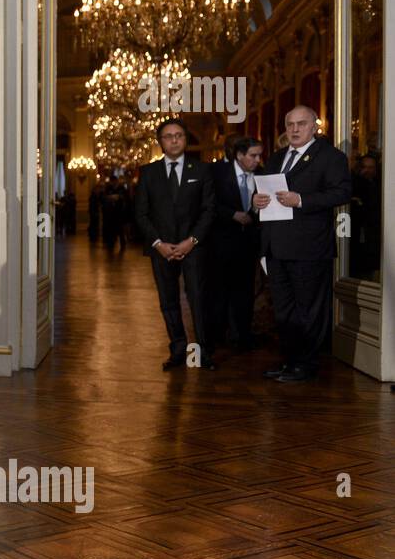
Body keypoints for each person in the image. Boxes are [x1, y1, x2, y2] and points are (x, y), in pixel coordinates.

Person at [253, 106, 352, 383]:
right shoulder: (275, 158)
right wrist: (255, 202)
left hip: (309, 247)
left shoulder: (331, 157)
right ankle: (289, 361)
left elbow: (342, 192)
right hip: (275, 246)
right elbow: (263, 193)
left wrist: (302, 200)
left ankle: (306, 365)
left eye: (301, 124)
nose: (295, 129)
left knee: (309, 310)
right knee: (283, 310)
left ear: (314, 127)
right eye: (290, 124)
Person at [133, 117, 215, 371]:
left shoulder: (202, 170)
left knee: (198, 300)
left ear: (185, 139)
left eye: (178, 135)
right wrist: (158, 243)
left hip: (194, 247)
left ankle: (203, 352)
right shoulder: (148, 172)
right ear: (160, 142)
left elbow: (209, 210)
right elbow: (140, 213)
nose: (174, 140)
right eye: (168, 136)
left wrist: (191, 241)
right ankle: (178, 349)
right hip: (161, 249)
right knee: (168, 301)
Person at [207, 136, 263, 352]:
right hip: (220, 243)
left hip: (248, 244)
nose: (258, 159)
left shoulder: (262, 174)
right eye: (253, 155)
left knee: (245, 293)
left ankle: (243, 336)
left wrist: (254, 212)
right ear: (239, 155)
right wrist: (232, 215)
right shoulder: (216, 173)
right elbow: (208, 203)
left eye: (259, 155)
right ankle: (217, 335)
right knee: (218, 291)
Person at [350, 153, 381, 280]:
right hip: (355, 236)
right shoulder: (354, 184)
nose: (367, 170)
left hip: (375, 237)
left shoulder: (381, 185)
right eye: (364, 167)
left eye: (371, 167)